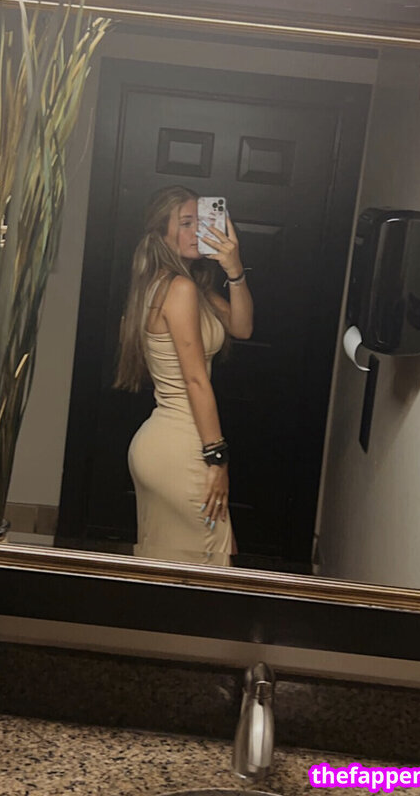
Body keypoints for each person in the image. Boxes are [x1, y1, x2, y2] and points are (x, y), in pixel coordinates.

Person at [115, 185, 253, 563]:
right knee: (213, 566)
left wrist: (234, 269)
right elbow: (195, 380)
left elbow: (242, 327)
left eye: (201, 222)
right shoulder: (179, 289)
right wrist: (217, 458)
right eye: (186, 223)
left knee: (181, 565)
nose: (197, 232)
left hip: (167, 442)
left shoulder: (187, 287)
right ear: (162, 233)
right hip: (182, 447)